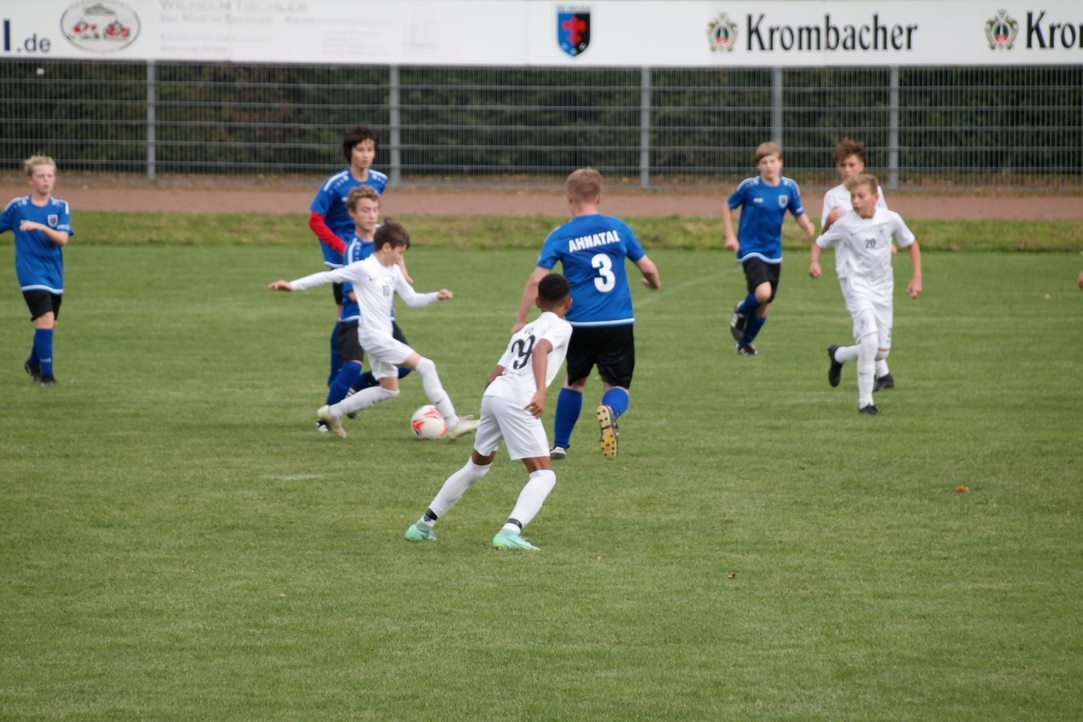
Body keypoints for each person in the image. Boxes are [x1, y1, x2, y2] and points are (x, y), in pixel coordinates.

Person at [405, 273, 574, 551]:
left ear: (537, 301)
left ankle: (422, 526)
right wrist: (541, 391)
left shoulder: (524, 330)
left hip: (495, 394)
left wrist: (495, 405)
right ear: (569, 302)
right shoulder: (561, 327)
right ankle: (510, 532)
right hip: (519, 399)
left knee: (476, 467)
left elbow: (494, 375)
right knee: (544, 475)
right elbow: (540, 351)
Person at [269, 220, 478, 440]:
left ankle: (332, 412)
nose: (400, 258)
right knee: (427, 366)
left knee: (389, 389)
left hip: (382, 336)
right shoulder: (363, 268)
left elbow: (412, 299)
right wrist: (292, 285)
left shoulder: (393, 271)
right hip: (373, 337)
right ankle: (453, 423)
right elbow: (328, 276)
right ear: (386, 247)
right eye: (399, 252)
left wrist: (436, 296)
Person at [514, 168, 661, 462]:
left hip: (578, 322)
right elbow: (648, 267)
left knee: (574, 381)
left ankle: (560, 445)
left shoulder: (561, 234)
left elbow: (536, 279)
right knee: (617, 386)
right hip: (618, 321)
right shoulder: (618, 228)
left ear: (570, 197)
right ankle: (611, 410)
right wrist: (653, 283)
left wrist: (520, 320)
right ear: (599, 197)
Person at [809, 174, 923, 415]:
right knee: (869, 342)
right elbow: (820, 242)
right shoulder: (846, 223)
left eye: (861, 196)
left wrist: (917, 277)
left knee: (881, 352)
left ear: (875, 197)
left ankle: (839, 355)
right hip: (857, 288)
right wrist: (814, 262)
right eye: (853, 197)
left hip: (883, 291)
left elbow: (911, 243)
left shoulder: (890, 219)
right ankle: (866, 403)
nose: (856, 201)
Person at [317, 186, 412, 433]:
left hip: (385, 318)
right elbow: (351, 292)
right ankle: (325, 420)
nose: (371, 215)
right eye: (365, 210)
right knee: (351, 365)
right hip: (357, 317)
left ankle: (356, 388)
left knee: (405, 366)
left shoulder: (384, 236)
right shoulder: (354, 249)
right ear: (352, 213)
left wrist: (403, 275)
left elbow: (399, 252)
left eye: (375, 210)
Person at [308, 125, 392, 386]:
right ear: (350, 152)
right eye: (360, 149)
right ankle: (339, 377)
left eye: (370, 149)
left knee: (369, 313)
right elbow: (315, 219)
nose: (365, 155)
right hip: (341, 261)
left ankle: (356, 381)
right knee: (346, 316)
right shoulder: (336, 184)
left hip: (368, 259)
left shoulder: (380, 180)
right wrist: (341, 246)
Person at [724, 141, 816, 356]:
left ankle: (744, 344)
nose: (768, 166)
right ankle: (741, 311)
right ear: (758, 166)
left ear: (780, 162)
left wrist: (807, 226)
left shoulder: (789, 188)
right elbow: (728, 206)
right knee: (763, 292)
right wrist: (730, 236)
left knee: (764, 305)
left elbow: (798, 211)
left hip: (774, 253)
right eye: (764, 162)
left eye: (772, 161)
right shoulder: (749, 186)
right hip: (750, 248)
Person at [821, 138, 895, 391]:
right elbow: (824, 236)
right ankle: (877, 375)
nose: (847, 170)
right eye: (842, 165)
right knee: (864, 323)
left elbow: (883, 222)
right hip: (849, 270)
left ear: (862, 165)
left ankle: (840, 355)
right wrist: (830, 222)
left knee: (876, 326)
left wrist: (890, 244)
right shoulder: (832, 196)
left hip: (877, 271)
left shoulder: (874, 191)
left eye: (851, 164)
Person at [1, 155, 73, 386]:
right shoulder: (18, 207)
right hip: (30, 274)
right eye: (41, 176)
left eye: (50, 176)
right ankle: (47, 377)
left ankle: (33, 363)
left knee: (50, 323)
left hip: (54, 274)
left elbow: (62, 239)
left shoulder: (61, 207)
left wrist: (40, 227)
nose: (46, 180)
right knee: (45, 318)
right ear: (30, 180)